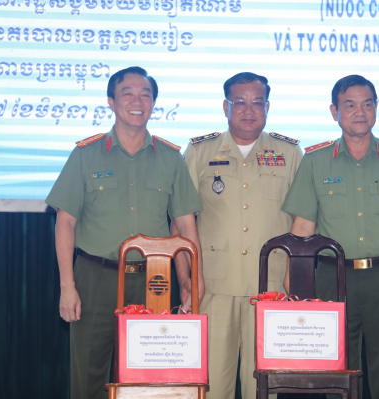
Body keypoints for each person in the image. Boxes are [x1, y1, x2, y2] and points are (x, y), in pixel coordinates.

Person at [46, 66, 204, 399]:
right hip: (96, 278)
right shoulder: (86, 155)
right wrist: (67, 286)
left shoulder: (171, 158)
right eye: (127, 93)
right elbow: (65, 222)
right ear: (111, 101)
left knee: (148, 378)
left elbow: (185, 225)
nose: (137, 101)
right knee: (88, 376)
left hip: (155, 282)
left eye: (145, 94)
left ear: (154, 103)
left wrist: (190, 280)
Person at [281, 75, 379, 399]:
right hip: (331, 277)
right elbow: (302, 229)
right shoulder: (314, 161)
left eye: (367, 104)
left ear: (377, 109)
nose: (360, 112)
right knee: (336, 373)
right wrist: (293, 285)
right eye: (350, 105)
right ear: (334, 111)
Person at [171, 72, 303, 399]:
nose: (248, 109)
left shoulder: (290, 153)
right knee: (212, 387)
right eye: (239, 102)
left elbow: (303, 224)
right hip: (213, 287)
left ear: (268, 106)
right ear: (225, 106)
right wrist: (186, 281)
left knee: (265, 387)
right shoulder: (199, 152)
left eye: (257, 102)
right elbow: (180, 223)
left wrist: (295, 285)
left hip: (271, 290)